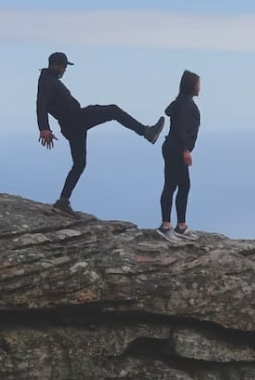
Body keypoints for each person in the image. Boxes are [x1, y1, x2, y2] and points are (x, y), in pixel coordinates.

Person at [36, 51, 164, 215]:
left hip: (73, 125)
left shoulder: (49, 80)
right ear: (57, 65)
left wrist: (45, 127)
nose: (65, 70)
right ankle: (146, 132)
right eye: (64, 67)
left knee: (79, 164)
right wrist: (44, 128)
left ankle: (62, 201)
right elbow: (41, 104)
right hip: (76, 120)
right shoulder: (47, 81)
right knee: (113, 110)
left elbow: (44, 104)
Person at [157, 70, 201, 240]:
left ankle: (180, 226)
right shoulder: (185, 105)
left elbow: (170, 112)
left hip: (173, 148)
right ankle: (165, 226)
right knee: (171, 186)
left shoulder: (181, 102)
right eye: (198, 83)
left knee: (183, 185)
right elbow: (181, 128)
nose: (199, 87)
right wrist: (185, 150)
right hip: (176, 150)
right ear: (191, 86)